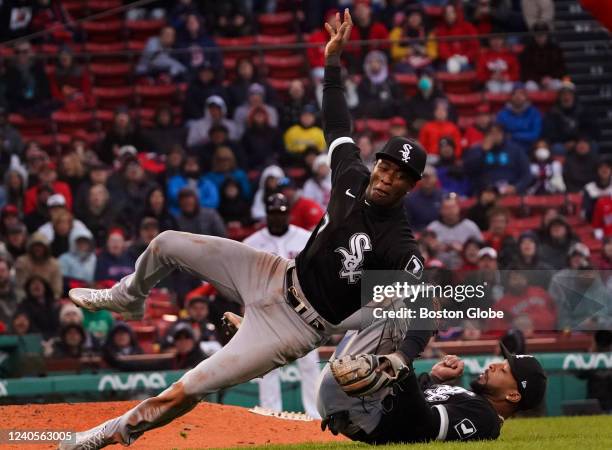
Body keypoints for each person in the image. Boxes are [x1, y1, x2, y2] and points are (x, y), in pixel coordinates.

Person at [59, 11, 432, 448]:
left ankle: (106, 434)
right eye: (386, 165)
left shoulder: (397, 242)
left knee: (190, 387)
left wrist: (400, 359)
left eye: (400, 174)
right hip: (273, 273)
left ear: (410, 185)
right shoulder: (351, 173)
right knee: (167, 243)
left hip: (294, 327)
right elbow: (336, 123)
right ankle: (128, 297)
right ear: (377, 164)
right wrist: (332, 62)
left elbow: (427, 303)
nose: (387, 177)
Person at [318, 327, 546, 444]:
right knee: (389, 297)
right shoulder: (472, 400)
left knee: (414, 301)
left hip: (367, 411)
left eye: (504, 370)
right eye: (501, 362)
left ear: (514, 396)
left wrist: (404, 363)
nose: (494, 366)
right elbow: (414, 403)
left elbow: (421, 425)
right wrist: (434, 377)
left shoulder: (485, 418)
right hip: (357, 399)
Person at [241, 193, 321, 418]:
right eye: (274, 213)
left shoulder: (305, 237)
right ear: (267, 214)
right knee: (267, 365)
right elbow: (245, 279)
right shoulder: (253, 244)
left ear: (289, 214)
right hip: (268, 310)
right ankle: (270, 414)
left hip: (303, 310)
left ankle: (315, 415)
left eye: (282, 213)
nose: (278, 217)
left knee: (308, 363)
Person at [463, 123, 533, 195]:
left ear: (503, 134)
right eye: (491, 133)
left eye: (498, 132)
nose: (495, 136)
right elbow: (469, 171)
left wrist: (516, 188)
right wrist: (483, 152)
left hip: (511, 191)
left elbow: (527, 175)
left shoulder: (516, 150)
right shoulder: (476, 150)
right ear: (486, 135)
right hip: (485, 192)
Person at [427, 194, 482, 269]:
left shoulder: (471, 227)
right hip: (437, 270)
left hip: (464, 270)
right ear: (441, 210)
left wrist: (463, 250)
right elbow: (423, 252)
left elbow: (481, 250)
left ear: (459, 208)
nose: (450, 211)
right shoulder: (432, 228)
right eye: (446, 208)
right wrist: (432, 249)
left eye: (452, 207)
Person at [543, 81, 595, 155]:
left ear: (574, 96)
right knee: (557, 148)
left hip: (580, 142)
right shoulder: (552, 112)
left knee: (592, 146)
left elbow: (591, 129)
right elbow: (549, 133)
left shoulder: (584, 111)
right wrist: (564, 142)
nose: (566, 97)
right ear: (559, 97)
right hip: (561, 143)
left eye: (569, 94)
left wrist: (580, 141)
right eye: (563, 94)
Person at [15, 231, 62, 300]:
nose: (38, 249)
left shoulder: (54, 264)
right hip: (26, 300)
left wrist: (50, 302)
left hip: (48, 301)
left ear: (46, 248)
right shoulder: (22, 262)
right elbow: (20, 286)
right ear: (30, 247)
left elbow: (57, 290)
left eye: (41, 246)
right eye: (35, 246)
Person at [356, 50, 403, 119]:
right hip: (371, 114)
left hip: (390, 113)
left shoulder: (391, 80)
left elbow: (398, 98)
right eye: (371, 62)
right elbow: (362, 101)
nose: (374, 64)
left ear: (383, 63)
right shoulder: (364, 81)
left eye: (377, 61)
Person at [519, 22, 566, 91]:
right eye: (538, 35)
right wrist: (539, 79)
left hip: (551, 79)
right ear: (534, 35)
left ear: (547, 35)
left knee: (559, 85)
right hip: (534, 80)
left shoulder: (555, 49)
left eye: (542, 35)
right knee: (529, 86)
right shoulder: (528, 50)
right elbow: (525, 70)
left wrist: (550, 77)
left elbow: (561, 68)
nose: (540, 37)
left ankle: (556, 102)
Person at [433, 4, 480, 72]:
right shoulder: (441, 30)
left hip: (467, 60)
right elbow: (442, 48)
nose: (449, 15)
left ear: (457, 13)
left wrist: (465, 58)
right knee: (443, 69)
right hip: (448, 61)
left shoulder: (468, 27)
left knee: (466, 68)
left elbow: (474, 46)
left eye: (451, 12)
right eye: (446, 13)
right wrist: (450, 58)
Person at [495, 84, 542, 150]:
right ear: (511, 97)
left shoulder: (534, 113)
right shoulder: (502, 114)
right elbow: (499, 134)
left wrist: (513, 135)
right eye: (515, 94)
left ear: (526, 97)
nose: (518, 96)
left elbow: (535, 134)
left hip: (529, 148)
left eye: (521, 93)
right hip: (508, 149)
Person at [403, 165, 443, 231]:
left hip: (440, 235)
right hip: (417, 235)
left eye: (430, 176)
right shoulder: (409, 199)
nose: (427, 180)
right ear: (419, 179)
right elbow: (406, 224)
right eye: (424, 177)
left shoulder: (443, 197)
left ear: (436, 178)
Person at [581, 156, 612, 222]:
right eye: (601, 167)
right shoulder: (589, 188)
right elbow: (586, 213)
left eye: (607, 167)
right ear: (596, 170)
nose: (604, 170)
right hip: (595, 223)